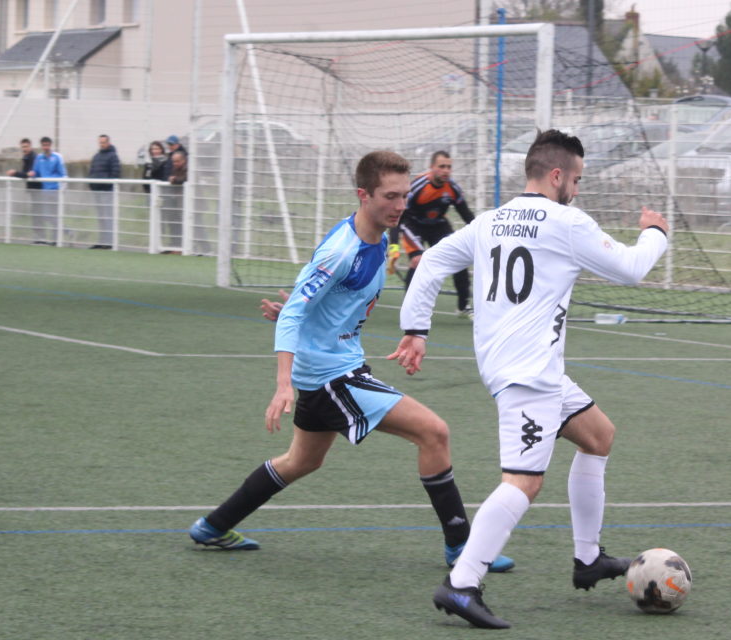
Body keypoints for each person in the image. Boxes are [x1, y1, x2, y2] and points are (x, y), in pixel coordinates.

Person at [389, 130, 671, 629]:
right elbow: (631, 269)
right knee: (524, 481)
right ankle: (462, 583)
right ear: (557, 175)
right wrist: (655, 233)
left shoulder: (491, 221)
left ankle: (588, 559)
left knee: (598, 436)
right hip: (528, 374)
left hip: (522, 366)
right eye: (577, 179)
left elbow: (430, 262)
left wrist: (416, 329)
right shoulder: (566, 222)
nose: (578, 190)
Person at [186, 150, 515, 576]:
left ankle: (212, 526)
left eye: (403, 196)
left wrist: (303, 314)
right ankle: (462, 548)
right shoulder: (342, 250)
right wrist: (283, 382)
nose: (400, 205)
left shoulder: (379, 238)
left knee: (301, 461)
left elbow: (309, 303)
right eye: (389, 196)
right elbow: (295, 311)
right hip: (330, 377)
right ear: (364, 194)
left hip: (335, 368)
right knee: (434, 432)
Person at [396, 150, 475, 318]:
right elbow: (400, 215)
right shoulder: (417, 187)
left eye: (449, 167)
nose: (446, 170)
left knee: (459, 259)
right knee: (418, 261)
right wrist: (393, 244)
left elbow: (466, 214)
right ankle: (409, 308)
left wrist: (484, 233)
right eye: (442, 166)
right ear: (432, 167)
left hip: (438, 225)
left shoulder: (453, 188)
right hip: (414, 224)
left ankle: (463, 307)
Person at [27, 136, 66, 245]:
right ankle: (66, 231)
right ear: (41, 146)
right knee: (47, 216)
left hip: (55, 190)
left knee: (54, 215)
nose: (46, 147)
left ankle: (56, 240)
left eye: (47, 145)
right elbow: (36, 172)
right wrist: (32, 174)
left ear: (50, 145)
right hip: (45, 191)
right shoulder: (39, 158)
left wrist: (62, 189)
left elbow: (64, 174)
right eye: (44, 145)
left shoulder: (57, 157)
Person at [5, 138, 45, 244]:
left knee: (41, 214)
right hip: (34, 189)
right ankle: (39, 238)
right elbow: (26, 174)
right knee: (38, 214)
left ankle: (42, 238)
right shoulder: (27, 157)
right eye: (23, 147)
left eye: (26, 146)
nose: (24, 149)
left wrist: (14, 173)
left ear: (30, 146)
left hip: (39, 189)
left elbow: (28, 174)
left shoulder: (33, 157)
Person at [87, 134, 121, 249]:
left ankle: (109, 242)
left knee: (108, 217)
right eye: (100, 142)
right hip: (97, 191)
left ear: (108, 143)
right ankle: (102, 240)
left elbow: (115, 173)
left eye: (103, 142)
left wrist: (106, 185)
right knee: (101, 217)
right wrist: (91, 184)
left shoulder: (113, 156)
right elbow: (91, 171)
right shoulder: (96, 156)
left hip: (107, 192)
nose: (102, 144)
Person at [159, 149, 187, 254]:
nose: (175, 164)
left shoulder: (189, 168)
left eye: (177, 161)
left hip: (187, 203)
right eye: (173, 162)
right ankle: (176, 246)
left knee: (193, 227)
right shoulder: (175, 168)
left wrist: (175, 180)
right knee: (174, 224)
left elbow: (185, 179)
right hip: (176, 202)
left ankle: (204, 249)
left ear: (184, 160)